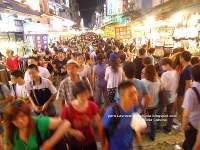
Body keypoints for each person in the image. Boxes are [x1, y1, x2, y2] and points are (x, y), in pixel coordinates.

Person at [3, 100, 71, 150]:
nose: (20, 121)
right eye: (14, 118)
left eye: (22, 116)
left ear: (28, 115)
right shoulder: (10, 132)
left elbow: (65, 123)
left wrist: (50, 143)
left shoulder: (39, 122)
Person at [61, 81, 103, 150]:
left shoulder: (92, 105)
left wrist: (102, 141)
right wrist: (73, 132)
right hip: (74, 143)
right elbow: (62, 127)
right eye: (81, 95)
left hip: (90, 140)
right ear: (75, 95)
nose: (84, 97)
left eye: (86, 94)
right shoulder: (67, 109)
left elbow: (99, 123)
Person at [102, 81, 142, 150]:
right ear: (122, 96)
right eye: (130, 94)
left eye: (135, 92)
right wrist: (104, 146)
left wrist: (139, 145)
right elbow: (102, 129)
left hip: (129, 146)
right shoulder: (112, 111)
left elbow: (135, 127)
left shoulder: (133, 108)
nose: (135, 97)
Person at [182, 64, 200, 150]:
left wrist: (184, 125)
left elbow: (186, 114)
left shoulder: (191, 91)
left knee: (191, 144)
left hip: (193, 125)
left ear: (192, 75)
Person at [159, 58, 179, 133]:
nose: (162, 67)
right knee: (170, 111)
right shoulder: (176, 72)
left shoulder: (165, 74)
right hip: (174, 93)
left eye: (163, 65)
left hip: (165, 93)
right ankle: (169, 127)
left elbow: (163, 86)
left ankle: (157, 125)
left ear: (167, 64)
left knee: (160, 110)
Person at [142, 65, 161, 141]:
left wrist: (144, 108)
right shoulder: (158, 81)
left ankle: (142, 132)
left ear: (146, 72)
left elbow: (143, 95)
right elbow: (159, 91)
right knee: (153, 120)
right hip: (155, 104)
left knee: (143, 118)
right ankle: (153, 135)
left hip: (145, 104)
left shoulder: (143, 82)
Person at [177, 51, 192, 119]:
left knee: (182, 108)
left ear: (182, 58)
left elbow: (188, 84)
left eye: (180, 57)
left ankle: (181, 122)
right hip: (182, 91)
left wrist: (185, 95)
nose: (179, 59)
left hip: (183, 92)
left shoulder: (187, 69)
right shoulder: (188, 67)